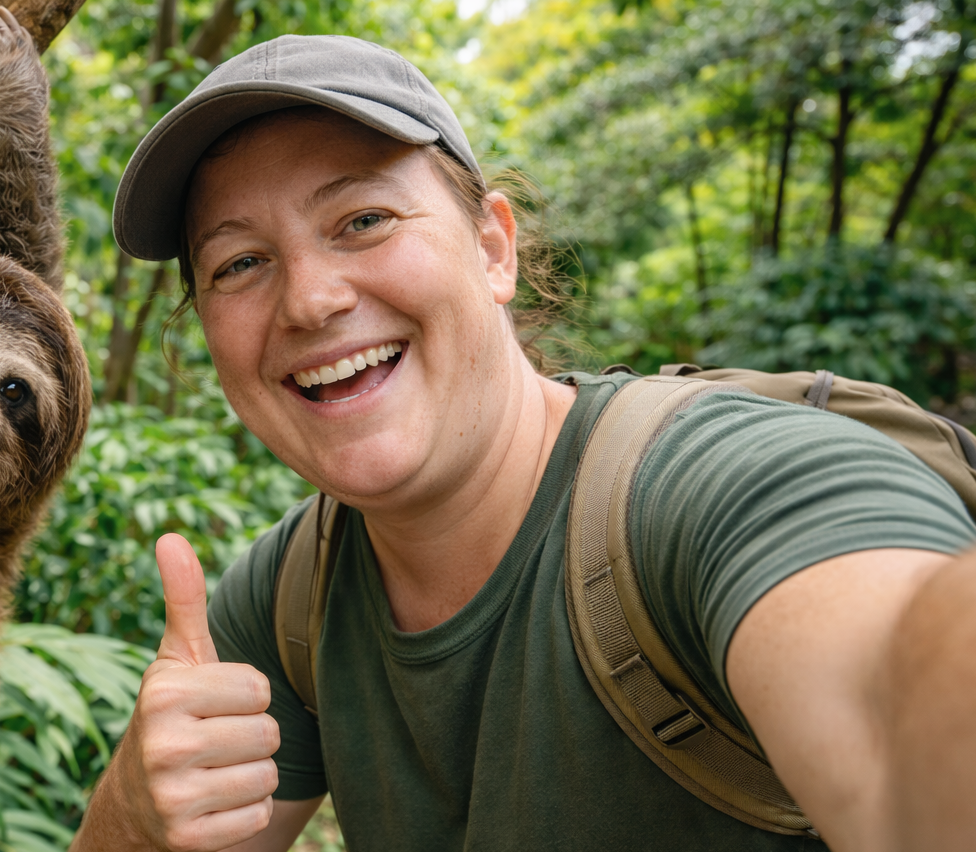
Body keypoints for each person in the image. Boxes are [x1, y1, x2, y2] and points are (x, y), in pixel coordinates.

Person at [69, 34, 976, 852]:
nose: (309, 300)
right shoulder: (286, 600)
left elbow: (892, 687)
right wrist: (135, 819)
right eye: (239, 263)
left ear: (492, 249)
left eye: (363, 220)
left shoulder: (724, 486)